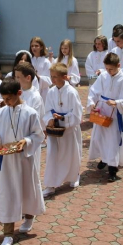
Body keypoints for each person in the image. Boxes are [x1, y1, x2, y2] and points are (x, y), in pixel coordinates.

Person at [0, 78, 45, 245]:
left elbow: (38, 135)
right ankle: (7, 234)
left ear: (19, 94)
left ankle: (29, 216)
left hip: (24, 160)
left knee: (27, 189)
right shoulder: (0, 113)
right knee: (7, 194)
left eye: (9, 98)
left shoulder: (30, 113)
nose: (6, 102)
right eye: (4, 99)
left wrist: (26, 141)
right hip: (6, 161)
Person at [87, 53, 123, 182]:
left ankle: (113, 169)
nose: (108, 71)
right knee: (100, 137)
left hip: (115, 113)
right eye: (106, 68)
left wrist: (117, 103)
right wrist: (92, 103)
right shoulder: (103, 76)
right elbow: (94, 91)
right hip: (103, 110)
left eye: (111, 69)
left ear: (118, 65)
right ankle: (104, 158)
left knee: (113, 140)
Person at [42, 63, 83, 197]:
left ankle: (74, 176)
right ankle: (50, 185)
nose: (52, 80)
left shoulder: (72, 92)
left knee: (70, 155)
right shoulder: (51, 91)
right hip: (55, 131)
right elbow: (47, 110)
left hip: (69, 131)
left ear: (64, 77)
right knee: (52, 156)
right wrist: (50, 119)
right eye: (51, 76)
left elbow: (77, 114)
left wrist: (63, 118)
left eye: (55, 77)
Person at [14, 63, 46, 172]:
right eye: (15, 77)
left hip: (30, 138)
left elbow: (34, 119)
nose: (16, 80)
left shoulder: (35, 97)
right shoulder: (18, 93)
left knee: (30, 171)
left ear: (28, 78)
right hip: (17, 135)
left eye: (18, 77)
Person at [29, 36, 53, 102]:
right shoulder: (29, 61)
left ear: (41, 47)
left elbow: (49, 80)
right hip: (30, 90)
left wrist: (38, 77)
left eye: (36, 46)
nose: (34, 48)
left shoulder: (46, 62)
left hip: (43, 92)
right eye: (32, 46)